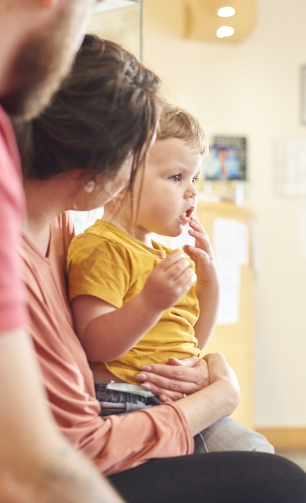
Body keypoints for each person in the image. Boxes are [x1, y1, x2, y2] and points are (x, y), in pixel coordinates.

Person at [0, 4, 306, 503]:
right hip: (79, 459)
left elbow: (180, 336)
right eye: (148, 165)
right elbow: (55, 454)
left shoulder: (61, 230)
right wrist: (215, 397)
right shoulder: (61, 240)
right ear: (99, 172)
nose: (178, 191)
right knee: (281, 486)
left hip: (99, 440)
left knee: (268, 477)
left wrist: (203, 346)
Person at [67, 104, 217, 390]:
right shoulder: (101, 247)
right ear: (123, 180)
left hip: (172, 399)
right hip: (125, 400)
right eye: (176, 177)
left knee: (248, 438)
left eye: (194, 178)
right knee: (247, 439)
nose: (192, 191)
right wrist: (150, 303)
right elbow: (94, 345)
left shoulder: (167, 257)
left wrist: (209, 282)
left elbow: (192, 340)